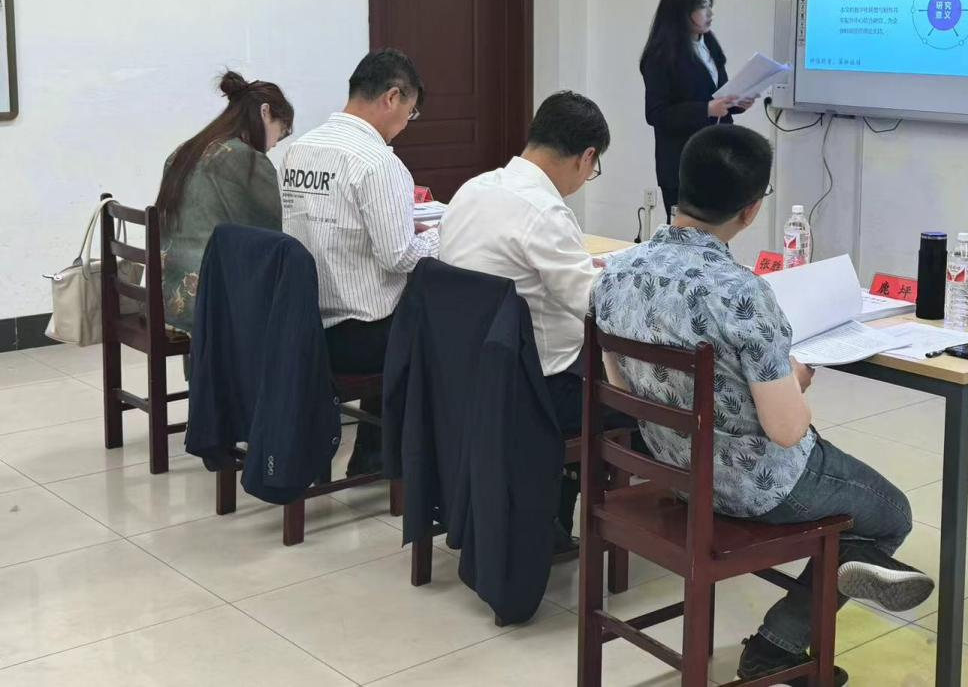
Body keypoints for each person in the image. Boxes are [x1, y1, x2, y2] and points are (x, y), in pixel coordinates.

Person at [592, 125, 934, 687]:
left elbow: (622, 388)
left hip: (673, 468)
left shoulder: (618, 272)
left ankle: (847, 575)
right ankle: (781, 641)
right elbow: (787, 430)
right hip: (754, 486)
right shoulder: (741, 293)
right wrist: (799, 373)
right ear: (751, 210)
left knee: (856, 513)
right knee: (891, 513)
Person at [439, 90, 623, 556]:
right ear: (586, 157)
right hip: (529, 390)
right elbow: (593, 304)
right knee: (635, 401)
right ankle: (576, 523)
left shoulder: (472, 189)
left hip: (459, 374)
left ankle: (549, 520)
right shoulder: (545, 211)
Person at [279, 48, 436, 476]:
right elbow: (400, 256)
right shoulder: (377, 162)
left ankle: (375, 452)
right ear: (392, 97)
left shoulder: (299, 150)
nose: (406, 124)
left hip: (301, 326)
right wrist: (445, 232)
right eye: (410, 113)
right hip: (358, 337)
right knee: (445, 323)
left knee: (398, 309)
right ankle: (403, 460)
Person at [157, 71, 293, 334]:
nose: (276, 143)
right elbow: (283, 223)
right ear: (265, 112)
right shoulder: (244, 158)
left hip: (166, 297)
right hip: (207, 302)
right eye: (282, 131)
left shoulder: (185, 150)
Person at [640, 0, 756, 220]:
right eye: (702, 7)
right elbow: (656, 114)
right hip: (682, 162)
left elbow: (717, 93)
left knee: (717, 230)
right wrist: (706, 110)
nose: (710, 13)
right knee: (687, 234)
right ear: (681, 11)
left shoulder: (708, 43)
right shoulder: (660, 56)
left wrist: (738, 103)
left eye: (710, 6)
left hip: (718, 156)